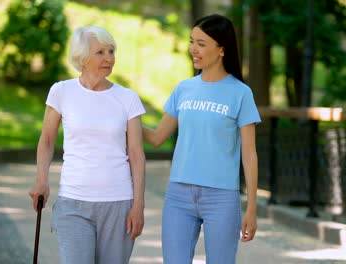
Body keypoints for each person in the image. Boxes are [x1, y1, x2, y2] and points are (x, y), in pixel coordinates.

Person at [143, 14, 261, 264]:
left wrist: (251, 208)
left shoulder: (241, 93)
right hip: (178, 195)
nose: (193, 50)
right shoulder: (183, 89)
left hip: (221, 198)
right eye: (191, 41)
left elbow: (249, 155)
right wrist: (124, 116)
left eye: (201, 43)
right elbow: (156, 137)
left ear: (221, 50)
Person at [28, 25, 146, 264]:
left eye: (111, 51)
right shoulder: (61, 91)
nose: (109, 58)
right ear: (82, 57)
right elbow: (47, 139)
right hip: (73, 202)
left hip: (119, 204)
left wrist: (138, 205)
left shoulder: (128, 98)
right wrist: (42, 178)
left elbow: (136, 154)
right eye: (100, 52)